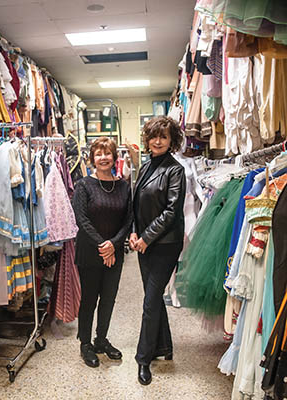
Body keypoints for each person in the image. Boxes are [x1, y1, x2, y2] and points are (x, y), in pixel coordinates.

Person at [129, 116, 186, 385]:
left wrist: (146, 238)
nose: (158, 141)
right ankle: (164, 347)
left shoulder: (176, 171)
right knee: (152, 299)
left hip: (165, 244)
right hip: (144, 243)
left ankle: (143, 359)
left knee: (150, 301)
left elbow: (172, 212)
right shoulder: (145, 166)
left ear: (171, 139)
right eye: (153, 136)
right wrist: (133, 232)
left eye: (163, 136)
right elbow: (135, 202)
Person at [72, 137, 132, 368]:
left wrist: (113, 245)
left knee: (108, 299)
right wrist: (103, 245)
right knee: (89, 300)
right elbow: (81, 219)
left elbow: (128, 220)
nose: (103, 157)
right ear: (92, 158)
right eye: (99, 154)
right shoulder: (84, 185)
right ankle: (85, 343)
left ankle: (101, 339)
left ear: (114, 157)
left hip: (114, 253)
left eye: (107, 153)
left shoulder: (124, 186)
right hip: (89, 252)